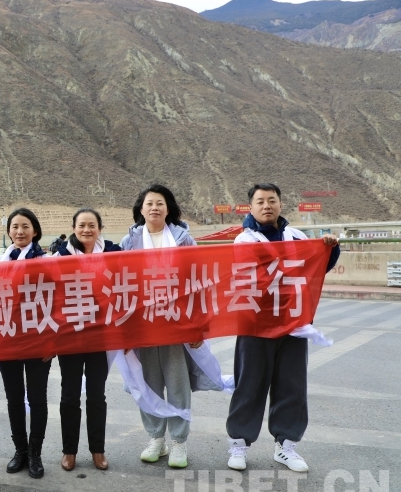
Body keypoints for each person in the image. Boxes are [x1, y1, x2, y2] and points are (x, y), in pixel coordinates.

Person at [226, 183, 340, 472]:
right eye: (260, 201)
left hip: (292, 324)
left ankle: (286, 446)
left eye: (272, 200)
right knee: (249, 385)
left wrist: (329, 249)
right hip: (255, 325)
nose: (267, 206)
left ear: (280, 204)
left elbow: (314, 269)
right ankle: (239, 444)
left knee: (292, 386)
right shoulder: (243, 240)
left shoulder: (297, 237)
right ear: (250, 207)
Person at [119, 185, 201, 468]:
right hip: (142, 327)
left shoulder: (184, 240)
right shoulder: (129, 242)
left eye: (160, 203)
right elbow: (120, 286)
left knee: (177, 384)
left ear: (168, 209)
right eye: (149, 203)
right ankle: (156, 438)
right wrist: (124, 330)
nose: (154, 207)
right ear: (141, 209)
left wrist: (197, 325)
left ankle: (179, 442)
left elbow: (198, 283)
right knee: (148, 385)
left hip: (175, 325)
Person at [53, 208, 121, 471]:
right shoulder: (59, 257)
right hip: (69, 336)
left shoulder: (113, 254)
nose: (86, 230)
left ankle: (97, 450)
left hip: (99, 337)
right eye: (81, 225)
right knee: (69, 394)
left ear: (100, 229)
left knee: (96, 395)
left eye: (92, 225)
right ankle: (69, 450)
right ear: (73, 228)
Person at [0, 208, 51, 478]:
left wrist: (53, 342)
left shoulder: (48, 263)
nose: (20, 231)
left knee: (37, 398)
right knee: (14, 398)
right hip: (7, 341)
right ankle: (20, 451)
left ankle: (35, 453)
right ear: (9, 231)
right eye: (15, 227)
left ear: (35, 231)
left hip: (39, 341)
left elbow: (57, 305)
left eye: (25, 226)